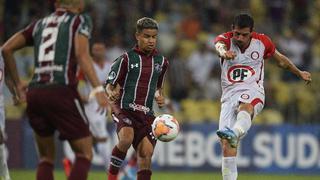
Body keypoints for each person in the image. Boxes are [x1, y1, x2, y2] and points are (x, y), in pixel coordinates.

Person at [2, 1, 109, 180]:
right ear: (80, 4)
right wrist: (98, 88)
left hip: (35, 93)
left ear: (56, 3)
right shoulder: (80, 20)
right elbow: (82, 55)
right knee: (84, 153)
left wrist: (18, 84)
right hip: (62, 89)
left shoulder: (39, 24)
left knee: (46, 158)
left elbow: (6, 49)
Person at [214, 13, 312, 180]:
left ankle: (235, 132)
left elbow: (281, 60)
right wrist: (223, 53)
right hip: (229, 96)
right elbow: (219, 47)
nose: (239, 38)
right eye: (237, 33)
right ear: (232, 30)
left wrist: (299, 72)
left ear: (252, 32)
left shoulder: (262, 42)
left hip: (254, 90)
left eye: (244, 34)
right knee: (226, 146)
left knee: (245, 106)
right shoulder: (225, 39)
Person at [105, 17, 168, 180]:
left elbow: (158, 88)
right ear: (137, 36)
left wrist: (160, 97)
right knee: (126, 138)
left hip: (146, 114)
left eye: (154, 37)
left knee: (146, 153)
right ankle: (111, 176)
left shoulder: (162, 62)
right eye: (147, 36)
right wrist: (111, 92)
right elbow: (109, 84)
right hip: (124, 108)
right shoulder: (126, 59)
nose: (151, 41)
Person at [62, 41, 112, 177]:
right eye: (95, 50)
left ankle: (70, 161)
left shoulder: (109, 66)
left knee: (88, 138)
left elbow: (115, 84)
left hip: (103, 105)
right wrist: (80, 96)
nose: (97, 52)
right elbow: (75, 82)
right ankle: (112, 173)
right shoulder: (87, 66)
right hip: (91, 105)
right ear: (91, 51)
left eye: (100, 49)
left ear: (104, 51)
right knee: (102, 138)